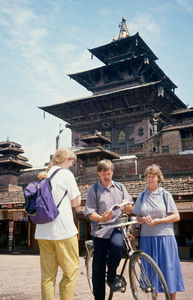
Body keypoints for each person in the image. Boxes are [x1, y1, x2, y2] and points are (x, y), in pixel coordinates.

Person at [132, 164, 185, 300]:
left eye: (153, 177)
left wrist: (159, 221)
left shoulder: (165, 195)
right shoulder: (141, 196)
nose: (150, 179)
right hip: (147, 238)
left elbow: (176, 216)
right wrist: (142, 219)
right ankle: (154, 298)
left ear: (158, 178)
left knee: (169, 270)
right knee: (150, 272)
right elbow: (136, 217)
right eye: (148, 177)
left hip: (165, 237)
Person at [35, 147, 81, 300]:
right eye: (71, 161)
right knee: (71, 271)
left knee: (48, 277)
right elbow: (76, 202)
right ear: (65, 159)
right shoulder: (66, 174)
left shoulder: (44, 175)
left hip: (42, 232)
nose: (71, 164)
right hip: (64, 231)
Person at [85, 159, 133, 300]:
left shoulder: (120, 187)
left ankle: (112, 276)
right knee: (98, 268)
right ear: (99, 173)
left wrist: (127, 206)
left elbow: (130, 209)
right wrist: (101, 218)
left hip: (116, 227)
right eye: (104, 174)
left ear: (112, 172)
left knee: (118, 247)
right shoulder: (93, 191)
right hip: (100, 230)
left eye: (109, 173)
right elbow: (90, 213)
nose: (107, 177)